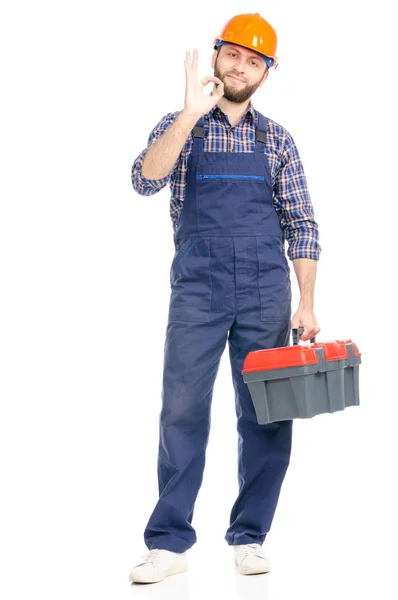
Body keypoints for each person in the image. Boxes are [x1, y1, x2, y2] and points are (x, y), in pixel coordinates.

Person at [129, 13, 321, 584]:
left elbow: (302, 224)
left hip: (266, 291)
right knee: (182, 409)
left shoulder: (277, 139)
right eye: (233, 54)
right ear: (216, 55)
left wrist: (306, 302)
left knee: (266, 413)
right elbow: (145, 179)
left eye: (254, 60)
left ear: (266, 73)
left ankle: (250, 535)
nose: (241, 66)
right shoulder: (180, 125)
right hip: (198, 288)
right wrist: (189, 113)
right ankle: (168, 543)